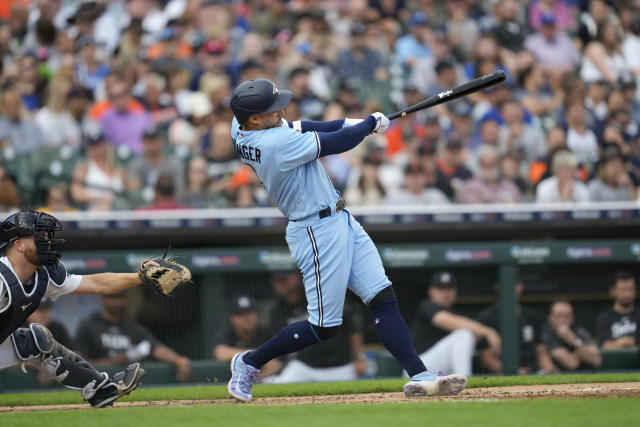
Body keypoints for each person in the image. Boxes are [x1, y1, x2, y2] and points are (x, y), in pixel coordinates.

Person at [226, 78, 466, 402]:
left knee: (382, 295)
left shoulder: (239, 126)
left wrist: (348, 123)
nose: (280, 110)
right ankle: (249, 362)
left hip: (339, 217)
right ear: (255, 118)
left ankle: (420, 374)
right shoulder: (275, 144)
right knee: (323, 326)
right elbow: (336, 144)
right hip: (315, 231)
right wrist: (367, 126)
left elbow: (303, 125)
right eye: (272, 108)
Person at [0, 210, 148, 407]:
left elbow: (96, 283)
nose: (48, 242)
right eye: (40, 237)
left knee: (34, 341)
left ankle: (101, 390)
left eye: (47, 236)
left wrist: (140, 277)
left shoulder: (44, 276)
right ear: (18, 244)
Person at [264, 271, 367, 384]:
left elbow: (353, 330)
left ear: (296, 278)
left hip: (340, 367)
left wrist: (360, 358)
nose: (280, 285)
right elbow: (281, 344)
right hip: (304, 367)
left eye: (284, 280)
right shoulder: (276, 311)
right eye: (277, 281)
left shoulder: (319, 296)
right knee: (270, 383)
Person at [75, 291, 192, 382]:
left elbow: (156, 348)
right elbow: (78, 363)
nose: (117, 302)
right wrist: (110, 362)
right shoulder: (88, 325)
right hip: (100, 380)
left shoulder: (132, 327)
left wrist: (179, 361)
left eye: (120, 298)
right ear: (103, 299)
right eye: (113, 298)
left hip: (129, 381)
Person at [411, 271, 502, 377]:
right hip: (418, 368)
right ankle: (464, 378)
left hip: (441, 373)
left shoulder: (457, 315)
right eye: (440, 288)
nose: (445, 293)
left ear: (455, 291)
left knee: (466, 334)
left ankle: (459, 380)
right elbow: (443, 319)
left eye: (449, 288)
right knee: (464, 333)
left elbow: (479, 345)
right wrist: (488, 331)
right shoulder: (426, 306)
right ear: (430, 291)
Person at [476, 279, 557, 375]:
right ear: (498, 287)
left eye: (514, 285)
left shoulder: (531, 315)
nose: (511, 289)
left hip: (533, 372)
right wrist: (515, 372)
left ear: (520, 287)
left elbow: (541, 352)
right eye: (506, 285)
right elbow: (486, 359)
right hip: (501, 375)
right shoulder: (487, 317)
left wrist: (550, 370)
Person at [213, 294, 280, 376]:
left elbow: (276, 364)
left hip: (263, 380)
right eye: (241, 314)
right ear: (232, 318)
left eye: (250, 312)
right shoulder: (227, 333)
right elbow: (221, 353)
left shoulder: (266, 332)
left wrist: (254, 382)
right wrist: (258, 354)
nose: (247, 318)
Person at [542, 301, 602, 371]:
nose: (562, 320)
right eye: (558, 316)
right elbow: (572, 363)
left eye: (566, 316)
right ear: (550, 318)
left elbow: (596, 360)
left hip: (585, 374)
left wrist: (573, 340)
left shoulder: (579, 331)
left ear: (572, 318)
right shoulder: (545, 334)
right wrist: (582, 353)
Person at [596, 271, 640, 350]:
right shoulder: (605, 318)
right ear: (612, 291)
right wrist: (632, 342)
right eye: (623, 290)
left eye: (631, 289)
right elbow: (605, 346)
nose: (627, 294)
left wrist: (620, 342)